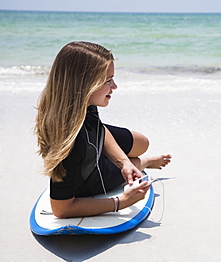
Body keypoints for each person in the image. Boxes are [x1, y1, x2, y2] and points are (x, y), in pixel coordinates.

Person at [35, 41, 171, 218]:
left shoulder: (80, 103)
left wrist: (124, 162)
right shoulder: (72, 144)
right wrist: (122, 202)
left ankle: (130, 161)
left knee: (141, 142)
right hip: (92, 177)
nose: (115, 86)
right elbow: (61, 209)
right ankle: (143, 162)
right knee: (135, 159)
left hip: (90, 148)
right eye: (108, 81)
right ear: (84, 85)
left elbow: (98, 129)